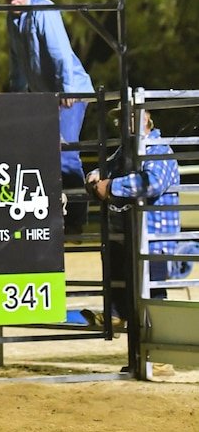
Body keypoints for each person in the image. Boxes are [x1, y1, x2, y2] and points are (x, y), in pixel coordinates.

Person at [0, 0, 94, 235]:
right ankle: (53, 216)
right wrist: (18, 96)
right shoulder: (14, 19)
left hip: (68, 91)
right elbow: (17, 61)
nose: (12, 2)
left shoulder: (43, 10)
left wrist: (67, 89)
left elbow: (59, 53)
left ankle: (76, 220)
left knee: (66, 154)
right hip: (45, 96)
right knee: (42, 153)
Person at [83, 105, 180, 329]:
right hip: (133, 235)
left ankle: (157, 357)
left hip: (154, 240)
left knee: (151, 296)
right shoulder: (127, 151)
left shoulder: (157, 149)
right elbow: (106, 170)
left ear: (145, 119)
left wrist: (112, 185)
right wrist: (96, 177)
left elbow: (153, 183)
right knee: (128, 285)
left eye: (128, 118)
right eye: (120, 120)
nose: (123, 124)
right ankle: (121, 323)